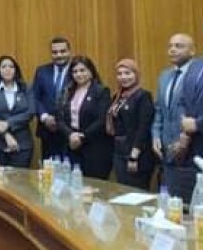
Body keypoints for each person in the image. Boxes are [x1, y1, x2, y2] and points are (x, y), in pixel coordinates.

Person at [152, 34, 194, 199]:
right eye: (170, 46)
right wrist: (156, 135)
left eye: (179, 46)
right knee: (170, 201)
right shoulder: (165, 76)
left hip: (190, 149)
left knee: (189, 204)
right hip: (166, 150)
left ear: (192, 51)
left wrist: (185, 138)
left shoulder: (197, 74)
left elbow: (197, 111)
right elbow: (159, 109)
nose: (173, 50)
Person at [56, 55, 113, 179]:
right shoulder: (67, 91)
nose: (78, 74)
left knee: (94, 185)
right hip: (71, 144)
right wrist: (70, 135)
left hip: (94, 147)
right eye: (75, 71)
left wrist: (82, 137)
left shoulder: (101, 91)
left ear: (91, 72)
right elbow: (59, 118)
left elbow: (101, 120)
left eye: (82, 70)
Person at [180, 16, 203, 196]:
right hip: (193, 149)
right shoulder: (195, 66)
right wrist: (185, 128)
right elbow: (184, 100)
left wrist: (198, 124)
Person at [107, 59, 155, 189]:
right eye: (120, 74)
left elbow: (143, 128)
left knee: (136, 192)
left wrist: (134, 156)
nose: (123, 77)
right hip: (119, 151)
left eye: (128, 73)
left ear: (136, 74)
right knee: (123, 190)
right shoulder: (117, 97)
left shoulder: (143, 96)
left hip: (136, 153)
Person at [0, 55, 35, 168]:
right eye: (4, 67)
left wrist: (8, 123)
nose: (7, 69)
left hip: (22, 144)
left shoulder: (26, 88)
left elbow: (31, 112)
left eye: (11, 66)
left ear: (16, 70)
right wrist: (6, 135)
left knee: (19, 178)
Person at [32, 37, 72, 160]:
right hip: (47, 130)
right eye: (55, 52)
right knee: (49, 167)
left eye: (62, 51)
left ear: (69, 51)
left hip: (70, 130)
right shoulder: (42, 71)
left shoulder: (77, 71)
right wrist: (44, 117)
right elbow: (34, 97)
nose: (59, 55)